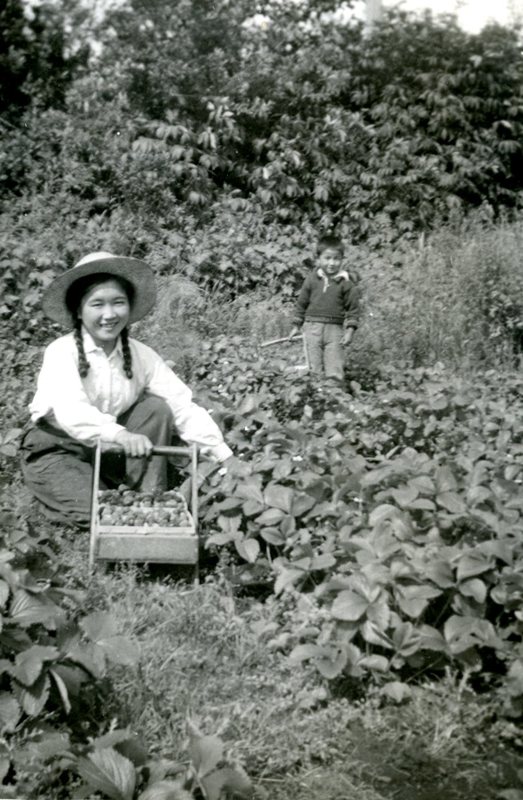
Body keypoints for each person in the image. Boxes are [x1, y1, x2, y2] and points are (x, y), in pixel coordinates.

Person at [20, 251, 233, 528]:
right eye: (97, 304)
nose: (109, 315)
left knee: (155, 408)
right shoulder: (61, 352)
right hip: (59, 448)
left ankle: (147, 496)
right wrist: (119, 434)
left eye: (118, 303)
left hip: (109, 451)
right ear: (78, 311)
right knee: (98, 514)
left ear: (129, 308)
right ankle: (65, 490)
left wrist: (224, 456)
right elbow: (71, 410)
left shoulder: (141, 355)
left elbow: (183, 406)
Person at [288, 234, 360, 383]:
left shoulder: (346, 283)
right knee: (313, 368)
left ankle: (336, 398)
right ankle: (316, 397)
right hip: (312, 329)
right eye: (327, 258)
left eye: (336, 259)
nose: (332, 263)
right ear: (318, 258)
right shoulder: (311, 280)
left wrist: (350, 331)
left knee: (335, 369)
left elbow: (353, 309)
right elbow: (302, 303)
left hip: (335, 332)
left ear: (342, 259)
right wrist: (296, 325)